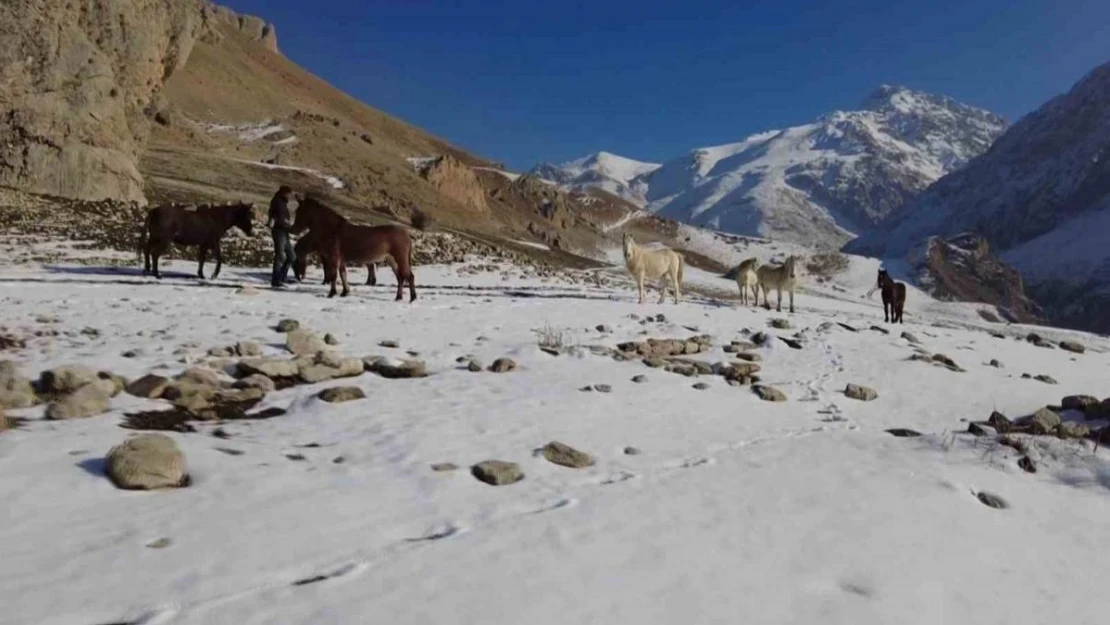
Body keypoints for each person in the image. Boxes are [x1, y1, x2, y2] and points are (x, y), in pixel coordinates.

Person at [267, 185, 297, 288]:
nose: (290, 196)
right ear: (284, 193)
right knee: (279, 255)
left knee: (292, 256)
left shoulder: (282, 203)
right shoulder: (277, 202)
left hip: (285, 232)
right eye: (288, 194)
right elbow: (279, 218)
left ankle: (282, 277)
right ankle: (275, 280)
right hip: (279, 231)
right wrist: (288, 224)